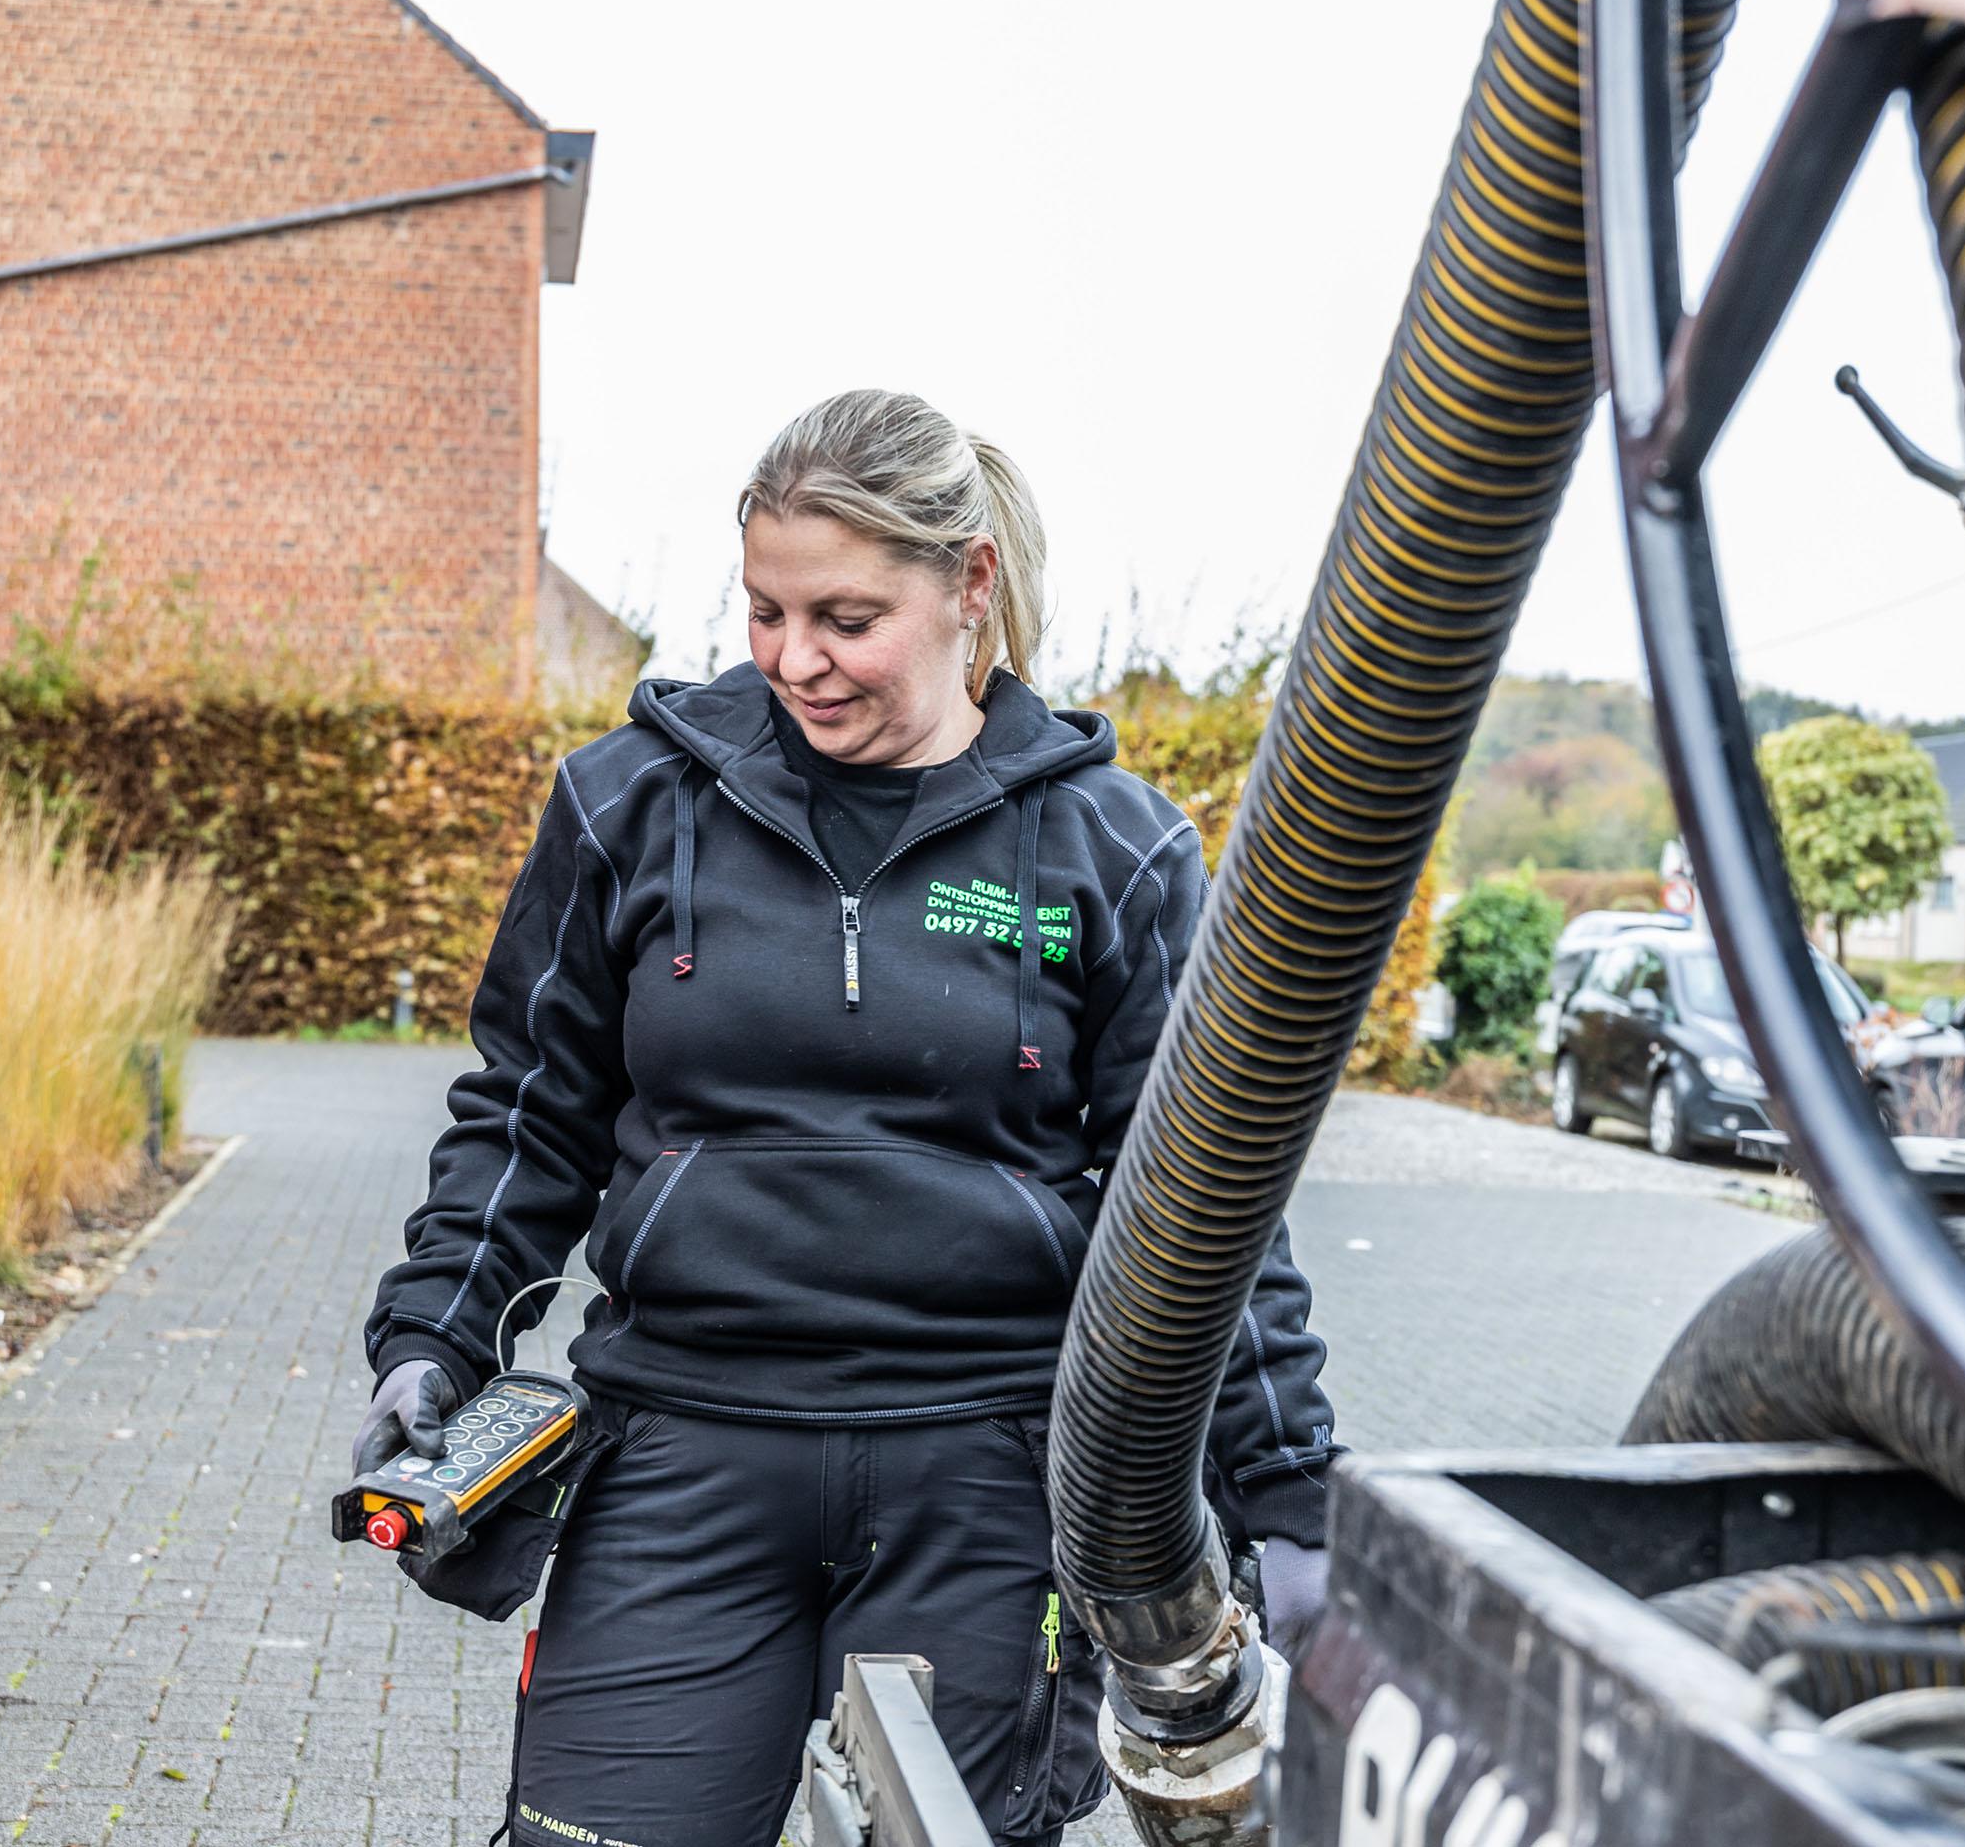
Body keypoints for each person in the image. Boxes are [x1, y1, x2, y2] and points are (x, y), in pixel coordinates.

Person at [355, 390, 1339, 1847]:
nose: (794, 659)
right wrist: (435, 1333)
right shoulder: (630, 804)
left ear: (969, 587)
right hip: (683, 1441)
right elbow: (527, 1112)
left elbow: (1196, 1203)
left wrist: (1289, 1486)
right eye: (763, 610)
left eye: (845, 616)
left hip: (986, 1470)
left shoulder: (1111, 849)